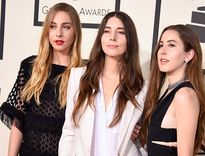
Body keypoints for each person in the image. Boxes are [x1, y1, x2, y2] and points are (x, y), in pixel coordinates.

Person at [59, 11, 147, 156]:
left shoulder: (141, 87)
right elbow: (70, 130)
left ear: (129, 40)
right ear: (100, 37)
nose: (112, 37)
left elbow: (143, 139)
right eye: (107, 31)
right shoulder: (79, 77)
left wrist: (139, 133)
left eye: (121, 32)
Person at [0, 3, 82, 156]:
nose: (59, 33)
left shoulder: (84, 72)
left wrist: (130, 127)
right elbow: (18, 120)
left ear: (76, 31)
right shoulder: (30, 66)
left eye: (66, 27)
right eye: (53, 26)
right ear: (47, 31)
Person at [139, 24, 205, 156]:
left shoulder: (184, 95)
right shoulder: (170, 91)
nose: (163, 51)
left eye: (171, 45)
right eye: (161, 44)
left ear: (188, 55)